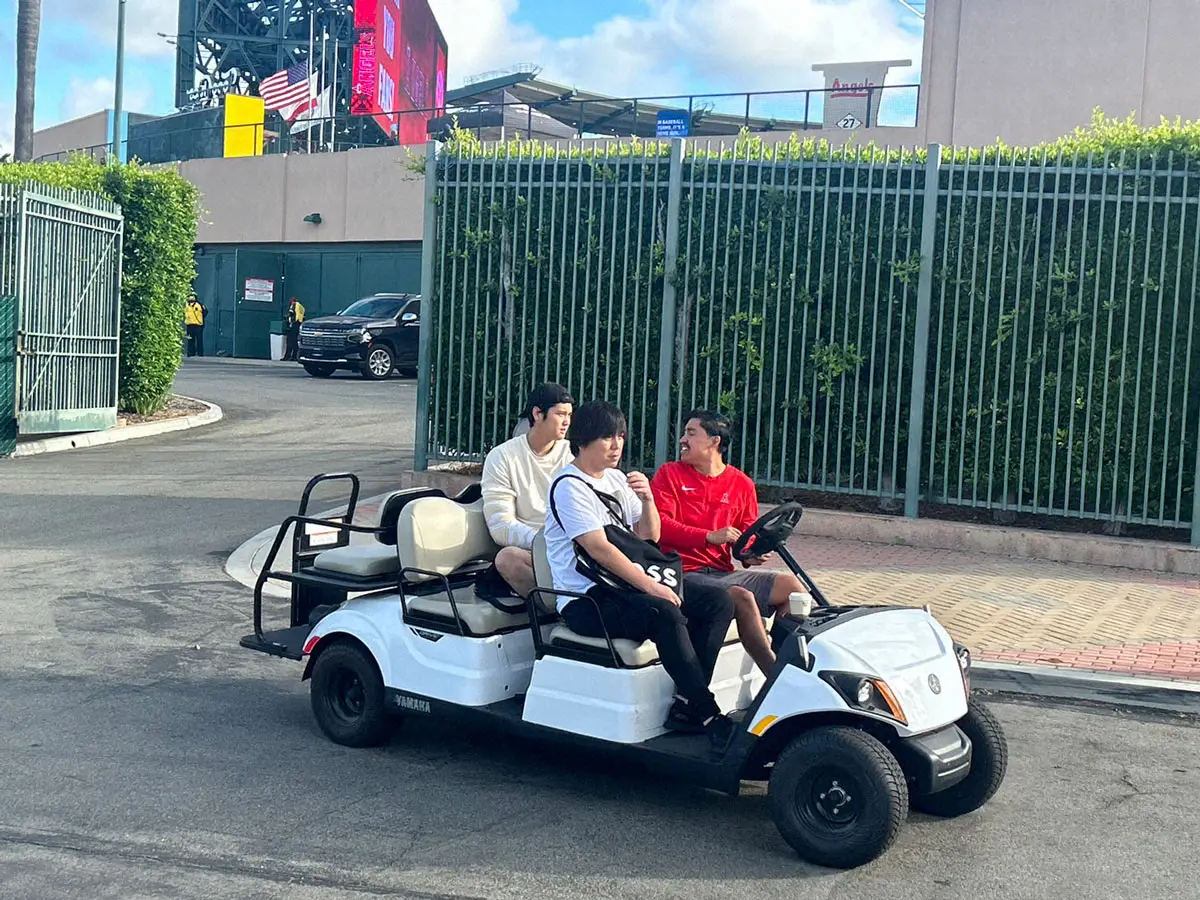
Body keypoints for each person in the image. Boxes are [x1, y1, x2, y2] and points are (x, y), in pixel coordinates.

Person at [544, 400, 735, 744]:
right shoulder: (569, 486)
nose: (616, 445)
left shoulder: (616, 479)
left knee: (720, 601)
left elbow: (649, 536)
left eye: (620, 436)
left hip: (622, 588)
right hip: (585, 599)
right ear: (583, 440)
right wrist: (652, 587)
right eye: (607, 437)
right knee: (663, 611)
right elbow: (599, 550)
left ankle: (687, 704)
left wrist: (647, 500)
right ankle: (708, 713)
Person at [651, 410, 805, 676]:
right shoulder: (669, 474)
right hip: (683, 573)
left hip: (722, 573)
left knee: (793, 588)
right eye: (685, 433)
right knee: (741, 597)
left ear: (715, 441)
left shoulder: (741, 484)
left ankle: (789, 659)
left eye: (691, 433)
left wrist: (752, 555)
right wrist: (708, 536)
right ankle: (776, 678)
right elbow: (660, 526)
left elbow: (747, 536)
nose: (682, 440)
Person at [480, 383, 575, 597]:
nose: (567, 421)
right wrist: (544, 543)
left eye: (569, 415)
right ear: (537, 414)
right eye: (560, 414)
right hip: (532, 552)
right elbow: (500, 525)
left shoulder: (572, 454)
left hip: (573, 548)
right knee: (508, 559)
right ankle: (559, 606)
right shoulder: (502, 457)